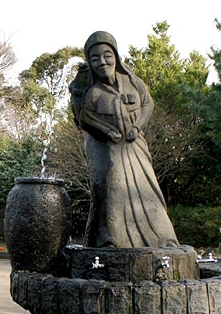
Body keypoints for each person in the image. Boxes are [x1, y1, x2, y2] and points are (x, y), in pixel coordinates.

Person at [70, 31, 179, 248]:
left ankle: (162, 237)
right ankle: (110, 240)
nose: (102, 62)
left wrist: (137, 127)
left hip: (135, 146)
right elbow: (84, 118)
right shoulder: (92, 92)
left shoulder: (132, 82)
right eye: (95, 58)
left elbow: (148, 104)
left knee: (148, 188)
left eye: (107, 55)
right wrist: (107, 131)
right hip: (107, 149)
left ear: (116, 57)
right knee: (112, 186)